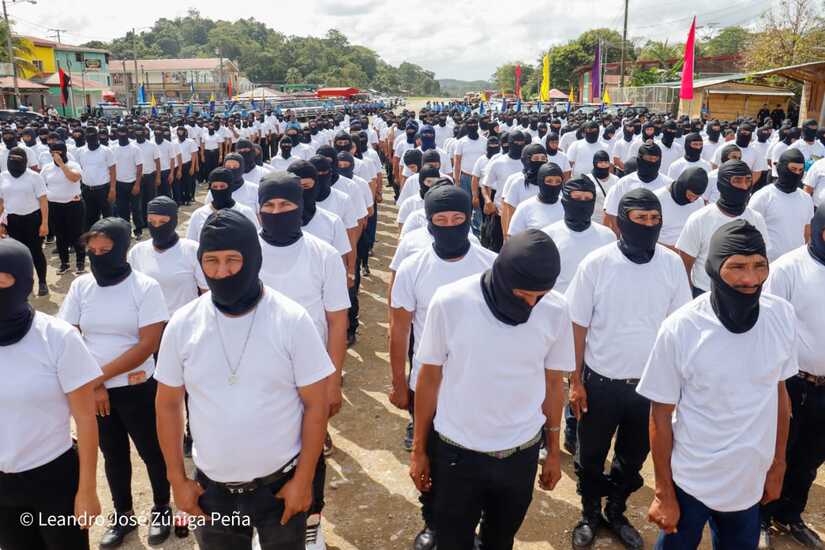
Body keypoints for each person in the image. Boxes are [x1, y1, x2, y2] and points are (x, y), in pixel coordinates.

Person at [154, 209, 334, 550]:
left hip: (280, 487)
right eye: (211, 261)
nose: (222, 272)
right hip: (214, 492)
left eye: (233, 260)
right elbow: (167, 405)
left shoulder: (291, 320)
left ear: (253, 258)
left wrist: (304, 478)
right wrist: (177, 478)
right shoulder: (182, 324)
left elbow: (315, 404)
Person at [411, 229, 573, 550]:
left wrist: (553, 450)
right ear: (502, 276)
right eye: (523, 295)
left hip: (520, 455)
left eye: (539, 296)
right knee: (452, 541)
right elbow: (429, 378)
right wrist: (418, 449)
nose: (531, 304)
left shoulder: (555, 310)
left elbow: (554, 384)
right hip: (457, 453)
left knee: (500, 541)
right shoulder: (451, 302)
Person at [638, 219, 795, 550]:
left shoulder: (781, 316)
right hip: (690, 482)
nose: (751, 279)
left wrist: (777, 465)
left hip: (748, 484)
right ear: (713, 267)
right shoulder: (681, 328)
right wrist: (664, 492)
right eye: (737, 266)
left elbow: (779, 396)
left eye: (759, 266)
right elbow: (660, 414)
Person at [565, 189, 691, 549]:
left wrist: (677, 382)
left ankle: (616, 510)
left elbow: (679, 324)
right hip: (600, 380)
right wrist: (575, 380)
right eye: (641, 219)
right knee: (590, 455)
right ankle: (589, 512)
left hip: (649, 386)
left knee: (633, 457)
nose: (649, 226)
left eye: (655, 220)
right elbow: (577, 324)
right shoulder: (597, 263)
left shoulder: (670, 264)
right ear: (622, 222)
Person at [389, 185, 496, 550]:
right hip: (429, 381)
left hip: (477, 380)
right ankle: (432, 520)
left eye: (458, 219)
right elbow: (400, 328)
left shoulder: (490, 264)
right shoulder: (412, 267)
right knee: (431, 454)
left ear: (469, 219)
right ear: (429, 223)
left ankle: (476, 521)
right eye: (441, 220)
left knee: (476, 454)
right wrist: (399, 383)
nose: (450, 226)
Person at [58, 218, 171, 548]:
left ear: (122, 251)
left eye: (105, 251)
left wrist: (96, 379)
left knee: (152, 450)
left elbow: (147, 343)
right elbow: (71, 335)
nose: (97, 257)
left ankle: (162, 507)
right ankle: (123, 516)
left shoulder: (145, 287)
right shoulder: (82, 287)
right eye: (91, 251)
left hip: (137, 387)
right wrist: (94, 387)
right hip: (97, 393)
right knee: (113, 454)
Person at [255, 172, 349, 550]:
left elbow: (337, 320)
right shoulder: (247, 253)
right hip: (258, 372)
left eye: (286, 205)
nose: (277, 212)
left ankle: (312, 520)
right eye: (269, 206)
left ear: (301, 207)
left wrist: (333, 378)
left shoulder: (322, 254)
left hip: (309, 374)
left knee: (310, 448)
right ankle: (265, 523)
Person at [0, 238, 101, 550]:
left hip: (53, 479)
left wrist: (87, 489)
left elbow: (85, 419)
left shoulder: (57, 338)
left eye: (1, 281)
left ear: (25, 283)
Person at [759, 208, 825, 549]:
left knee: (810, 458)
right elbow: (769, 326)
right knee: (776, 452)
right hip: (792, 383)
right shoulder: (788, 268)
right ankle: (760, 517)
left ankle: (790, 514)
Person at [676, 160, 770, 297]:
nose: (744, 187)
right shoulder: (699, 219)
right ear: (722, 184)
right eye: (737, 181)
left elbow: (761, 259)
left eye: (748, 180)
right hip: (705, 294)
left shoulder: (757, 219)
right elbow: (685, 265)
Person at [128, 196, 207, 315]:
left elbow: (206, 293)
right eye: (152, 222)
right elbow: (132, 292)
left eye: (163, 222)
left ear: (174, 221)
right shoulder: (137, 252)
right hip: (150, 323)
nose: (157, 227)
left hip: (185, 322)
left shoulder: (192, 250)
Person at [749, 149, 814, 262]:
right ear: (781, 168)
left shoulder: (806, 198)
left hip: (797, 262)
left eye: (800, 170)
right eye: (793, 169)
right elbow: (750, 231)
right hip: (769, 263)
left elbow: (807, 232)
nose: (797, 174)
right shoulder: (762, 197)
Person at [0, 147, 49, 295]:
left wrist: (45, 223)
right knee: (16, 254)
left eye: (18, 159)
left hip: (32, 220)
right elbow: (1, 202)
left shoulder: (34, 177)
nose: (14, 162)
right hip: (12, 221)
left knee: (35, 252)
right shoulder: (3, 176)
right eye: (12, 159)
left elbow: (43, 201)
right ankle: (22, 284)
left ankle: (42, 282)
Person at [288, 159, 352, 258]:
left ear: (316, 186)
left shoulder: (332, 222)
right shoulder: (274, 223)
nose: (301, 192)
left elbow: (340, 260)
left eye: (306, 186)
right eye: (296, 187)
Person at [603, 143, 672, 234]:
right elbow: (612, 213)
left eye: (655, 159)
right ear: (639, 160)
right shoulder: (624, 183)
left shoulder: (669, 185)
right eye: (648, 159)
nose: (652, 162)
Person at [41, 140, 85, 275]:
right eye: (52, 153)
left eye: (58, 152)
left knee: (77, 234)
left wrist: (61, 164)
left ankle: (80, 262)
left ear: (64, 152)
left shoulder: (73, 165)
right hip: (55, 206)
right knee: (60, 236)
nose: (55, 155)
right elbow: (41, 187)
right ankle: (64, 263)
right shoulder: (47, 168)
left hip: (73, 205)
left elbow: (74, 178)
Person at [187, 168, 259, 242]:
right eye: (215, 187)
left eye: (222, 186)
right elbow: (191, 244)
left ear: (230, 187)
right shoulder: (199, 214)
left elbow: (256, 241)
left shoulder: (245, 212)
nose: (218, 190)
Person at [654, 166, 708, 249]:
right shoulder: (657, 199)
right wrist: (672, 250)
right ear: (682, 186)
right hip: (662, 253)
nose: (692, 200)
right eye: (690, 195)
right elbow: (646, 235)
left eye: (696, 197)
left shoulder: (699, 202)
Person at [507, 161, 564, 238]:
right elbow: (513, 238)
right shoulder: (525, 207)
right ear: (540, 182)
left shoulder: (567, 206)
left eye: (558, 181)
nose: (553, 185)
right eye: (549, 181)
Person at [111, 126, 144, 238]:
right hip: (119, 184)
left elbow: (139, 167)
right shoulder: (113, 148)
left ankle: (138, 230)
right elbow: (112, 167)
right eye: (119, 132)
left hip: (133, 183)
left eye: (124, 132)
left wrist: (137, 184)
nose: (122, 135)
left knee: (136, 209)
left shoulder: (135, 149)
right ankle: (126, 231)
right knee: (122, 209)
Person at [133, 125, 160, 231]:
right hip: (137, 178)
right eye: (137, 132)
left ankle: (151, 221)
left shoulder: (152, 145)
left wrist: (158, 177)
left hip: (150, 176)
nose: (139, 134)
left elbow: (157, 162)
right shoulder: (132, 145)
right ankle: (142, 223)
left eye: (141, 132)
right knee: (138, 202)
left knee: (150, 200)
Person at [586, 150, 619, 223]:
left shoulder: (616, 180)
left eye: (606, 162)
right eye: (600, 162)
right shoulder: (588, 179)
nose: (603, 165)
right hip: (593, 220)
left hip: (612, 221)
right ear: (595, 163)